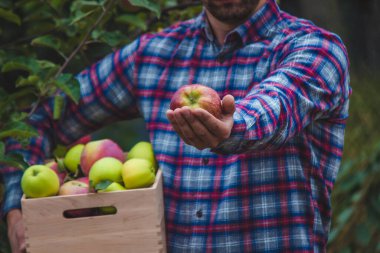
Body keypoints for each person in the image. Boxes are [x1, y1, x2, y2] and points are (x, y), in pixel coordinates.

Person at [2, 0, 351, 252]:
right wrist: (16, 211)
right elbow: (37, 117)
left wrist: (232, 125)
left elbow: (278, 102)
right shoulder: (152, 55)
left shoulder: (316, 49)